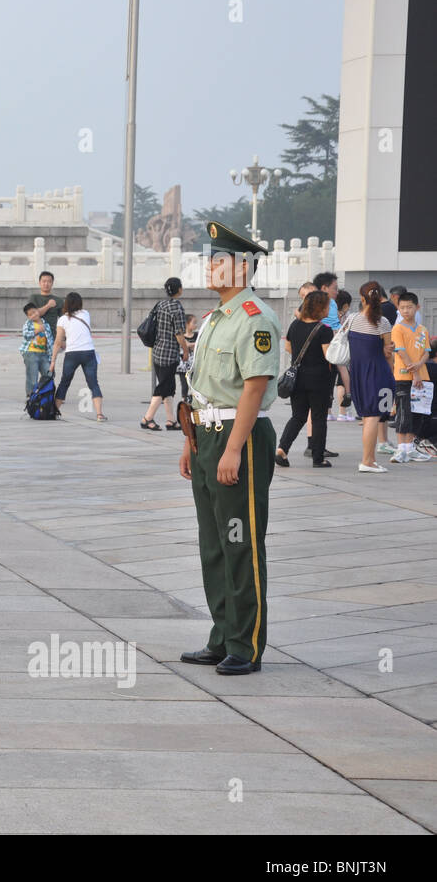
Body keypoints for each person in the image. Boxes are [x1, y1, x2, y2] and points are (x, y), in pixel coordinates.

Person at [178, 220, 281, 676]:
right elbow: (203, 386)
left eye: (218, 260)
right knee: (214, 544)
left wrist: (233, 449)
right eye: (211, 259)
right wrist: (191, 441)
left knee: (241, 540)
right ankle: (221, 636)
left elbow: (254, 389)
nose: (210, 267)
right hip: (207, 436)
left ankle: (246, 643)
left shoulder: (256, 318)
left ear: (242, 269)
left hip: (240, 438)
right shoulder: (214, 319)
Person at [275, 289, 335, 468]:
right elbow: (328, 355)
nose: (328, 310)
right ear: (320, 308)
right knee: (318, 418)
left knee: (298, 417)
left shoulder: (295, 325)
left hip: (298, 379)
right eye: (327, 306)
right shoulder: (324, 330)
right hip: (319, 380)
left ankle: (282, 450)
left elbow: (288, 348)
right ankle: (318, 458)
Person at [349, 282, 397, 473]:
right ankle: (366, 461)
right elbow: (387, 353)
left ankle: (370, 459)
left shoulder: (352, 319)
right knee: (373, 417)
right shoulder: (383, 322)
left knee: (369, 416)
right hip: (378, 373)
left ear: (362, 299)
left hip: (358, 374)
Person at [141, 277, 190, 431]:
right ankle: (147, 418)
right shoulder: (177, 308)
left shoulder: (160, 304)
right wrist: (186, 350)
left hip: (157, 352)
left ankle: (171, 420)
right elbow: (179, 333)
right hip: (169, 354)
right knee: (163, 387)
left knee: (168, 386)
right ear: (179, 289)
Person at [390, 291, 431, 464]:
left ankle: (411, 448)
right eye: (402, 308)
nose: (406, 311)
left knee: (418, 413)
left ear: (417, 308)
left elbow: (426, 353)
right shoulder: (398, 328)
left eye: (409, 307)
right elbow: (401, 351)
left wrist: (419, 366)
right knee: (403, 412)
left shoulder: (423, 330)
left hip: (422, 377)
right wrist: (414, 372)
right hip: (403, 376)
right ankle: (401, 449)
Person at [51, 292, 105, 421]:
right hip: (88, 352)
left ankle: (54, 412)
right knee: (93, 383)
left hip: (72, 354)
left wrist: (53, 360)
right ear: (80, 303)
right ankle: (99, 414)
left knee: (64, 383)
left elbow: (58, 341)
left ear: (66, 304)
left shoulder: (63, 319)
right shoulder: (86, 314)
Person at [19, 302, 54, 397]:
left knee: (48, 373)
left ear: (38, 311)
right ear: (28, 317)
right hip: (31, 353)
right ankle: (31, 395)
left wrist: (52, 355)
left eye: (34, 312)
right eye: (30, 315)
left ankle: (45, 393)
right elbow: (26, 335)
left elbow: (50, 340)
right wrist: (38, 330)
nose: (33, 315)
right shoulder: (28, 324)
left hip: (44, 354)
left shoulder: (46, 324)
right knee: (32, 376)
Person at [331, 289, 355, 421]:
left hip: (329, 350)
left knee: (329, 382)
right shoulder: (349, 317)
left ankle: (328, 412)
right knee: (342, 381)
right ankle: (342, 412)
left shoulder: (329, 314)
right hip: (343, 352)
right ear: (345, 305)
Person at [28, 270, 62, 340]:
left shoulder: (58, 300)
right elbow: (33, 315)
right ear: (39, 283)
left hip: (52, 337)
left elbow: (64, 321)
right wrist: (48, 305)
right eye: (44, 281)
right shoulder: (33, 297)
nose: (46, 284)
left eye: (49, 281)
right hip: (35, 338)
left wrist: (62, 339)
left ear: (52, 283)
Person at [177, 313, 198, 403]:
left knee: (195, 382)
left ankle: (195, 398)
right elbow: (186, 344)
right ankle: (184, 399)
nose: (196, 325)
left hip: (194, 364)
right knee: (184, 384)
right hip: (184, 364)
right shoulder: (181, 336)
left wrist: (191, 345)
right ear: (187, 324)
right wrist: (194, 344)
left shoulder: (197, 335)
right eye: (194, 323)